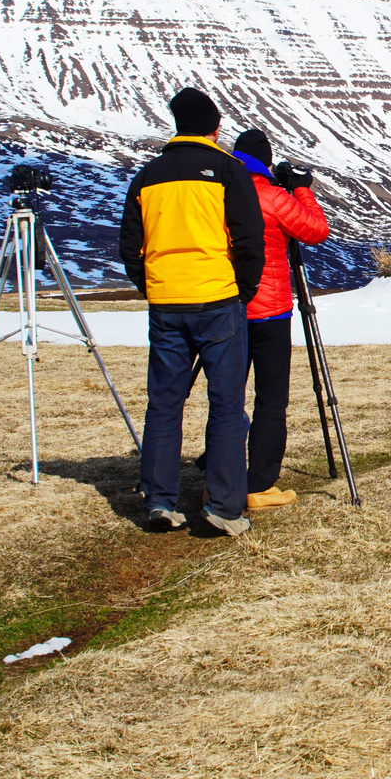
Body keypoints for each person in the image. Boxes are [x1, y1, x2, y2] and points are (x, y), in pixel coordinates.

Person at [118, 88, 264, 536]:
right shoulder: (226, 170)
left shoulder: (148, 176)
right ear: (214, 128)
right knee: (224, 404)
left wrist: (154, 286)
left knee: (163, 404)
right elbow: (248, 237)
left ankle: (160, 500)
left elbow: (130, 247)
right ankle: (223, 505)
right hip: (218, 299)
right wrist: (243, 290)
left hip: (166, 303)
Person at [229, 128, 330, 511]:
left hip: (225, 307)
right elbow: (315, 230)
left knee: (226, 398)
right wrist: (301, 189)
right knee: (270, 399)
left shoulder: (219, 191)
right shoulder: (272, 197)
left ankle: (221, 476)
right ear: (266, 163)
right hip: (269, 312)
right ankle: (259, 484)